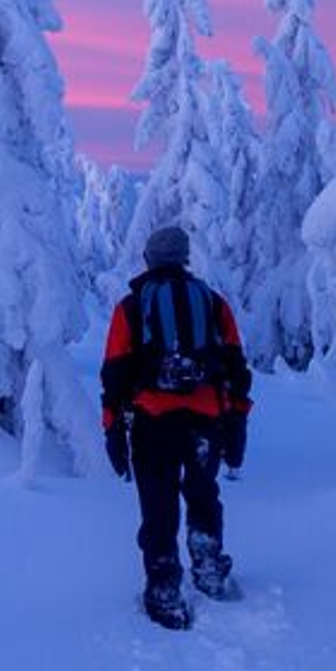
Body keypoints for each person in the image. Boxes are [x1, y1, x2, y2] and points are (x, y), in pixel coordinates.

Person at [99, 222, 252, 630]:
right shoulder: (214, 303)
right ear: (184, 258)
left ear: (149, 258)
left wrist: (112, 425)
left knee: (158, 504)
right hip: (206, 420)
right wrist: (237, 417)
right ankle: (207, 567)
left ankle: (164, 589)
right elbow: (237, 366)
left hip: (152, 422)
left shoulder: (131, 307)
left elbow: (114, 372)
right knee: (203, 495)